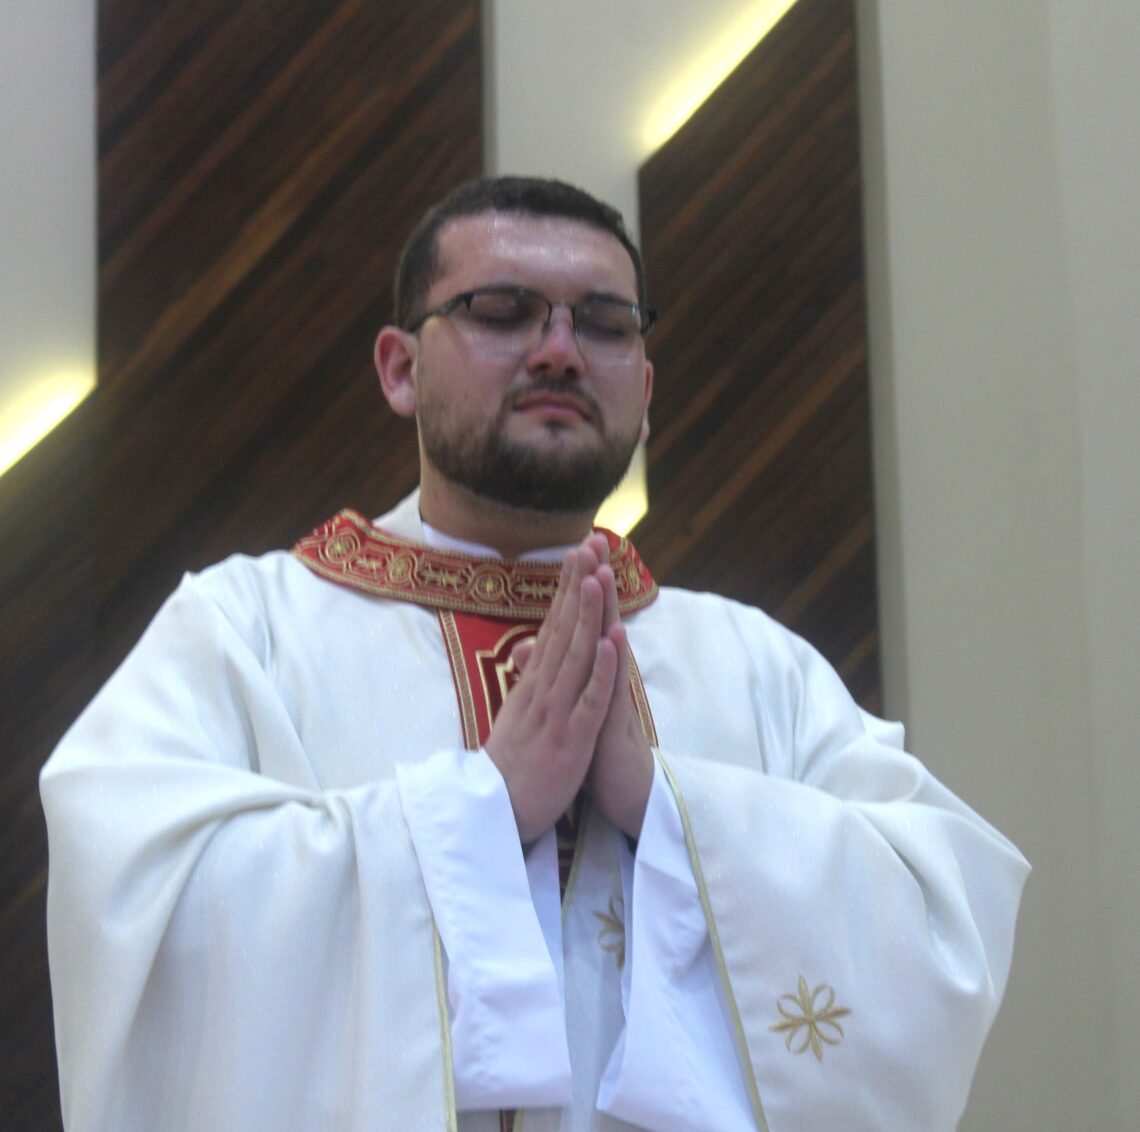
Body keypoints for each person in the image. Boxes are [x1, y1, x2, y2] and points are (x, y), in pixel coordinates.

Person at [41, 176, 1028, 1132]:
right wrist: (481, 811)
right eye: (502, 310)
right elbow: (131, 895)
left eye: (603, 324)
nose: (558, 350)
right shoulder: (242, 630)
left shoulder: (755, 664)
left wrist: (673, 812)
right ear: (399, 367)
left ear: (642, 389)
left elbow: (943, 917)